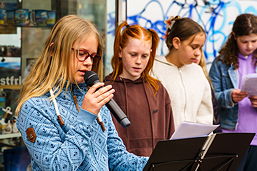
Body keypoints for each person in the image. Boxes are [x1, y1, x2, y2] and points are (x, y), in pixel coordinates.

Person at [15, 15, 148, 170]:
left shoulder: (95, 100)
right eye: (81, 53)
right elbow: (56, 167)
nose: (89, 62)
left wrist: (160, 162)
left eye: (93, 56)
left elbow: (118, 160)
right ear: (53, 50)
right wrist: (86, 116)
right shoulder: (35, 107)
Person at [104, 21, 175, 156]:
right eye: (133, 54)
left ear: (151, 54)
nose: (138, 61)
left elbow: (169, 134)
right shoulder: (107, 90)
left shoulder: (158, 90)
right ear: (120, 52)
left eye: (144, 56)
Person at [209, 13, 257, 171]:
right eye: (244, 41)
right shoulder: (221, 62)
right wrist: (229, 96)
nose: (249, 46)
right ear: (234, 37)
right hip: (231, 135)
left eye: (254, 41)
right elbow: (211, 100)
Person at [151, 16, 213, 129]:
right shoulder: (153, 69)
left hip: (193, 144)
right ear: (176, 42)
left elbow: (205, 115)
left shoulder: (197, 72)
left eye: (200, 48)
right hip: (163, 143)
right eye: (194, 47)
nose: (198, 53)